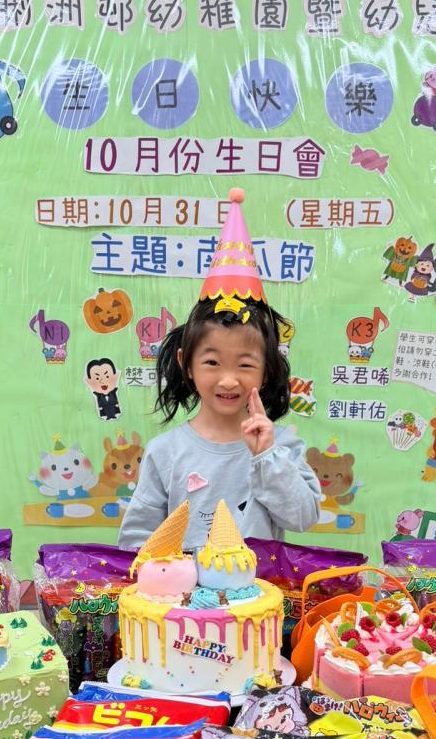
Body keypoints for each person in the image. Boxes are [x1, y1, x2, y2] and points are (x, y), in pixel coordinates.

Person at [118, 188, 320, 551]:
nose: (228, 380)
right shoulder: (165, 451)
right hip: (182, 590)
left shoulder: (280, 446)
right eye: (212, 362)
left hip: (259, 589)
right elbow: (136, 541)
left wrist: (266, 457)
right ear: (186, 364)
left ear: (266, 371)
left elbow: (302, 517)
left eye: (245, 364)